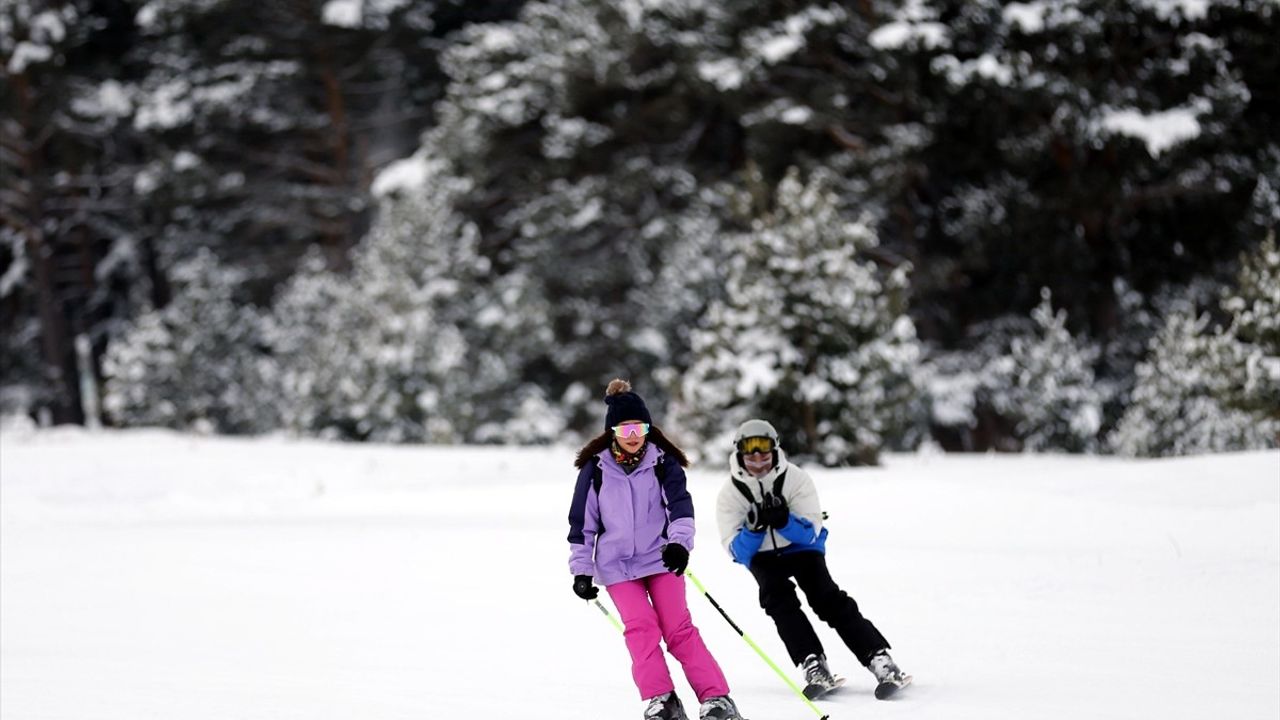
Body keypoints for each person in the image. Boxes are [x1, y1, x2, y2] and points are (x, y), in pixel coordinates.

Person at [568, 379, 746, 720]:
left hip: (661, 559)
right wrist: (581, 571)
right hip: (617, 567)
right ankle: (662, 699)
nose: (634, 435)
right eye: (626, 428)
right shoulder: (596, 469)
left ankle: (716, 700)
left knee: (679, 629)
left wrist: (679, 544)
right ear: (613, 431)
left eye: (640, 427)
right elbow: (582, 526)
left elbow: (680, 508)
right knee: (641, 629)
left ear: (649, 429)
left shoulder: (663, 462)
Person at [714, 418, 911, 700]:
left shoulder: (796, 479)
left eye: (764, 450)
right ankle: (812, 663)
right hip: (763, 556)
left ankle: (879, 658)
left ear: (775, 449)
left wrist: (784, 521)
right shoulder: (730, 494)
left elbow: (809, 532)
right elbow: (737, 551)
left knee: (825, 598)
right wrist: (754, 529)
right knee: (778, 601)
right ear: (739, 454)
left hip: (801, 548)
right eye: (750, 452)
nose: (758, 459)